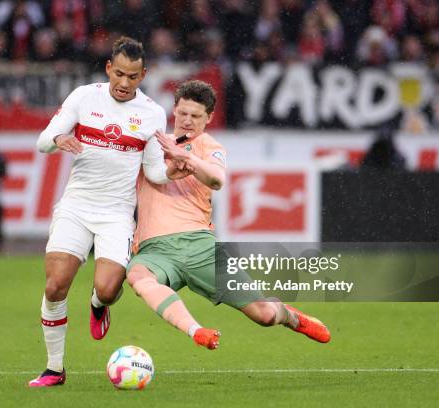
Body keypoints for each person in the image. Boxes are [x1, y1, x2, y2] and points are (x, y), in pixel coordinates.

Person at [126, 80, 331, 350]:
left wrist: (185, 158)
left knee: (265, 315)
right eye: (183, 113)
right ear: (174, 110)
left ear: (209, 118)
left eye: (196, 116)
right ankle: (196, 331)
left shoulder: (209, 147)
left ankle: (292, 317)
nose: (187, 121)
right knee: (138, 276)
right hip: (155, 249)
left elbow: (217, 179)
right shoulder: (152, 145)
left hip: (200, 246)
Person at [30, 36, 187, 387]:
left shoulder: (152, 114)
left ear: (143, 75)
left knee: (108, 287)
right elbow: (43, 140)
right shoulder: (85, 97)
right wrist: (57, 140)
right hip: (76, 205)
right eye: (118, 74)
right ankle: (54, 368)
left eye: (132, 77)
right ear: (108, 69)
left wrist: (172, 171)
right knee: (55, 285)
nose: (124, 83)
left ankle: (99, 304)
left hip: (116, 213)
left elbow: (153, 171)